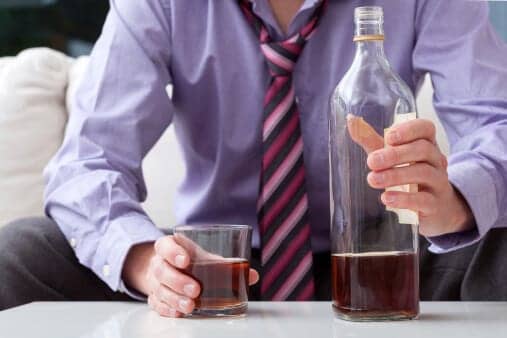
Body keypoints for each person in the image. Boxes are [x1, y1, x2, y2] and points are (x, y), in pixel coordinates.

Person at [1, 0, 507, 317]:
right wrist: (147, 261)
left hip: (382, 255)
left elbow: (496, 126)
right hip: (214, 267)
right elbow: (87, 164)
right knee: (21, 253)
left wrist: (456, 203)